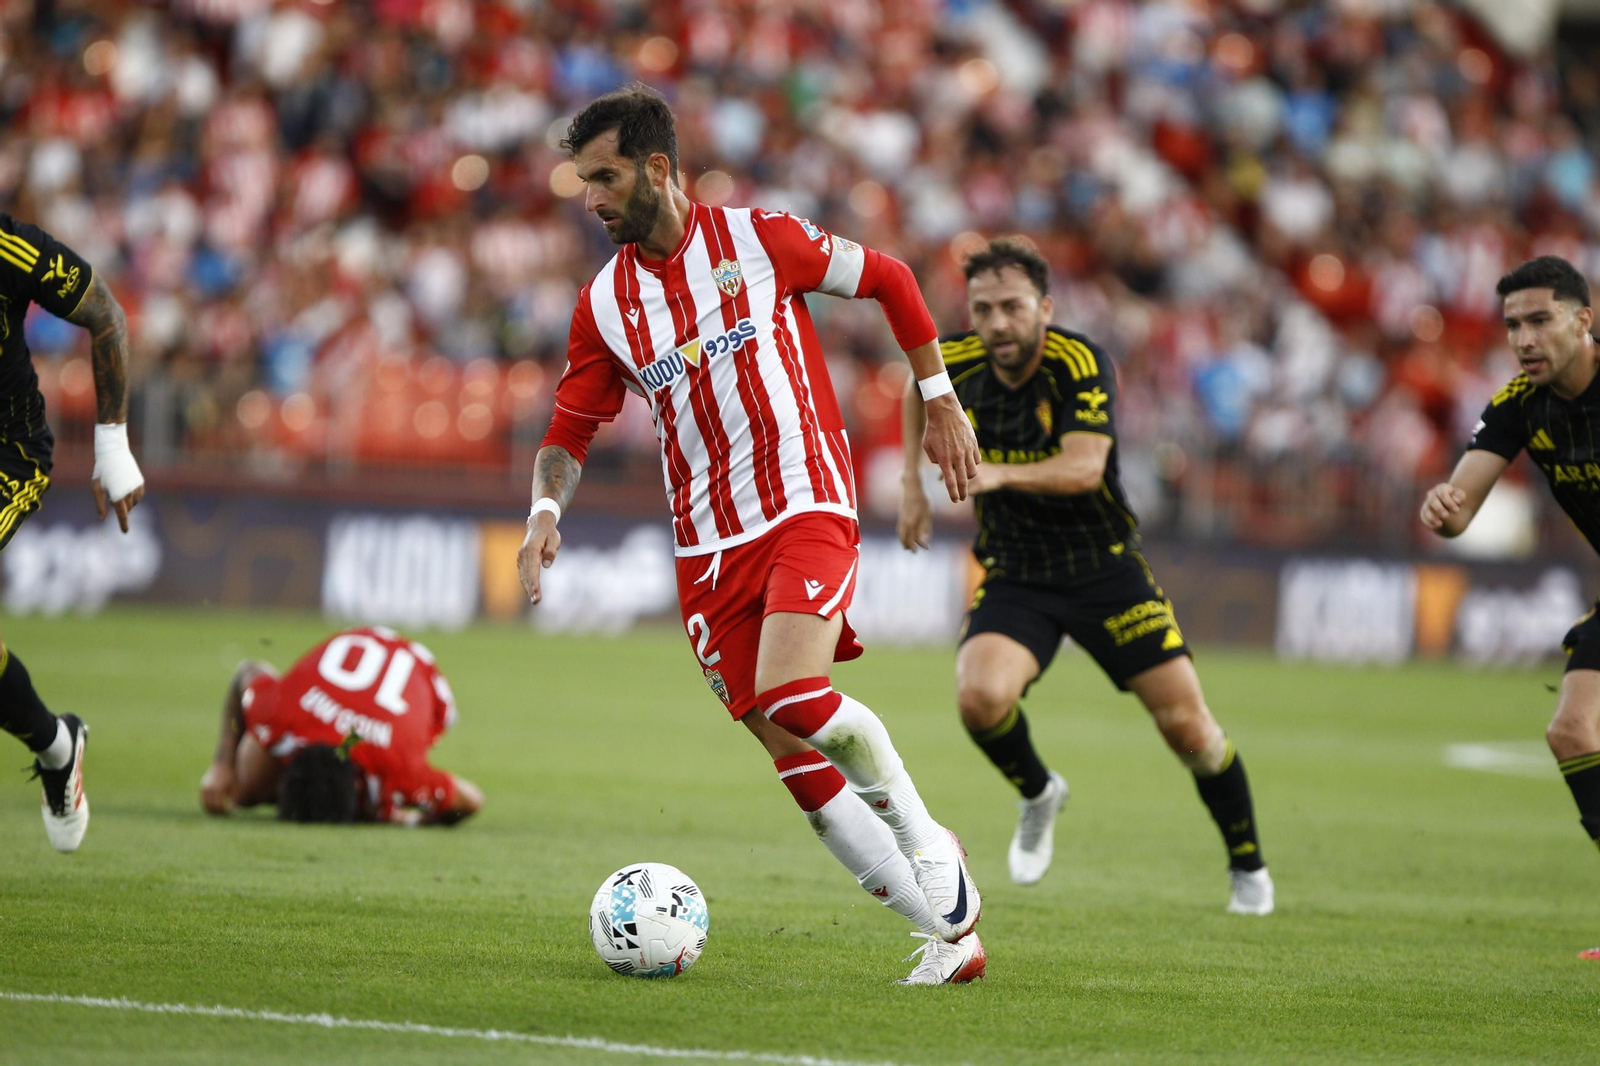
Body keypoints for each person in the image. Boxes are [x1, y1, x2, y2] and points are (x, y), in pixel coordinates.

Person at [517, 84, 987, 984]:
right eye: (584, 181)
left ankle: (928, 840)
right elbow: (570, 426)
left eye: (606, 177)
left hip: (804, 500)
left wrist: (940, 399)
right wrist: (545, 514)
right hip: (704, 547)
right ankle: (948, 933)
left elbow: (891, 278)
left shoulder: (759, 241)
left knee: (791, 693)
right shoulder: (605, 303)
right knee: (784, 746)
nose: (591, 198)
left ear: (658, 167)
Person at [898, 238, 1273, 914]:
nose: (997, 324)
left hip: (1103, 569)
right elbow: (914, 389)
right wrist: (910, 485)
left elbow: (1084, 468)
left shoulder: (1079, 361)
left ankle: (1247, 865)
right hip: (1016, 570)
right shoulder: (953, 362)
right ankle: (1040, 793)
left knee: (1189, 728)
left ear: (1044, 306)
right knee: (978, 698)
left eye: (1012, 307)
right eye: (983, 310)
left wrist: (999, 472)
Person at [1419, 255, 1600, 957]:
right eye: (1512, 325)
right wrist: (1443, 506)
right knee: (1573, 732)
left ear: (1584, 320)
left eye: (1540, 320)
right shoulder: (1519, 403)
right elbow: (1459, 509)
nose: (1524, 339)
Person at [0, 215, 144, 852]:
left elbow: (106, 313)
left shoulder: (8, 247)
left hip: (8, 455)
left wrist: (112, 446)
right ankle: (59, 745)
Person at [198, 626, 483, 826]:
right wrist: (222, 766)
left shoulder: (399, 772)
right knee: (246, 782)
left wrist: (400, 816)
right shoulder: (283, 713)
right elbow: (246, 671)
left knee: (249, 779)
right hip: (354, 650)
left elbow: (469, 800)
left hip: (427, 678)